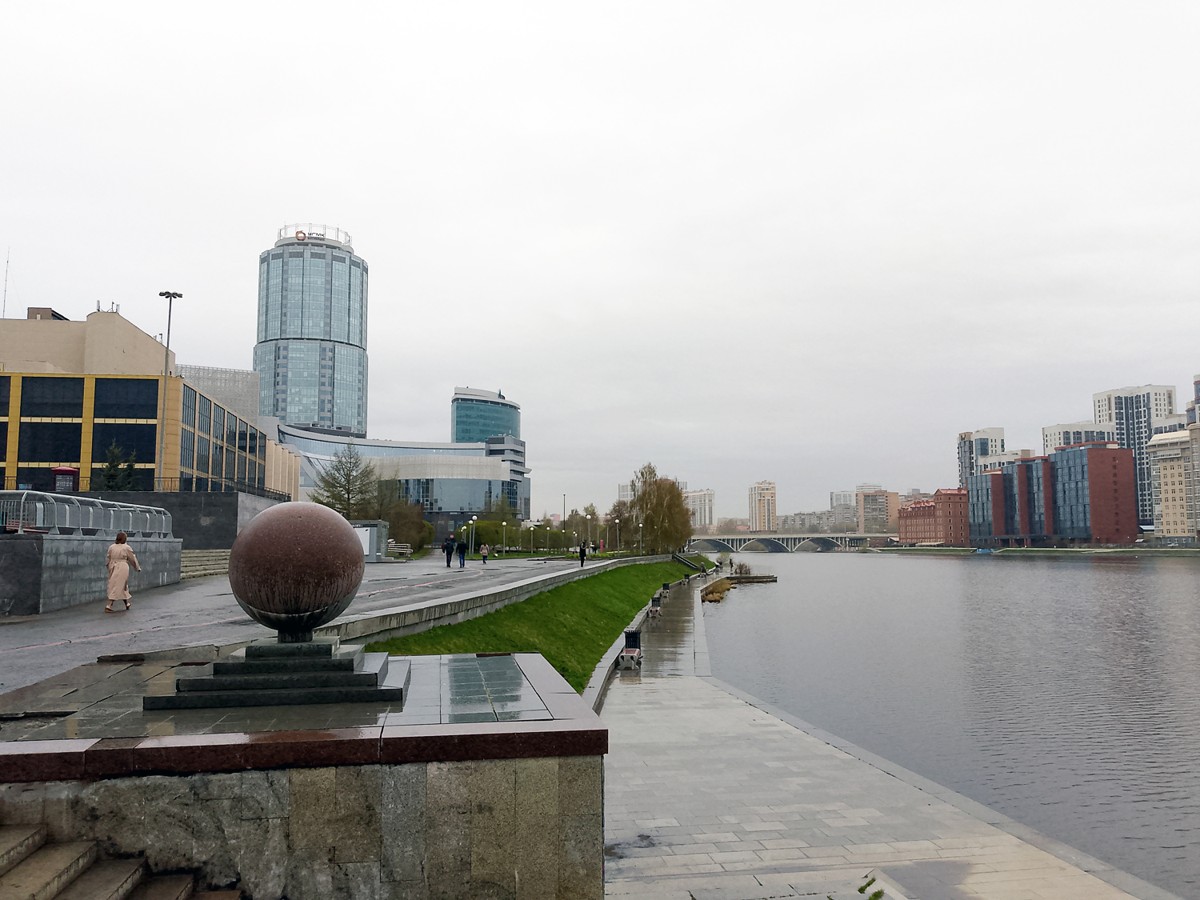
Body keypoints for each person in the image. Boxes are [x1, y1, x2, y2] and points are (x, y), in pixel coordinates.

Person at [105, 531, 141, 613]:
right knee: (120, 584)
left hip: (112, 565)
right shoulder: (126, 547)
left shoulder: (112, 547)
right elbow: (132, 558)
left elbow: (108, 557)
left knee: (117, 584)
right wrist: (137, 567)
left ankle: (125, 603)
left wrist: (108, 566)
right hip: (122, 566)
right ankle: (109, 605)